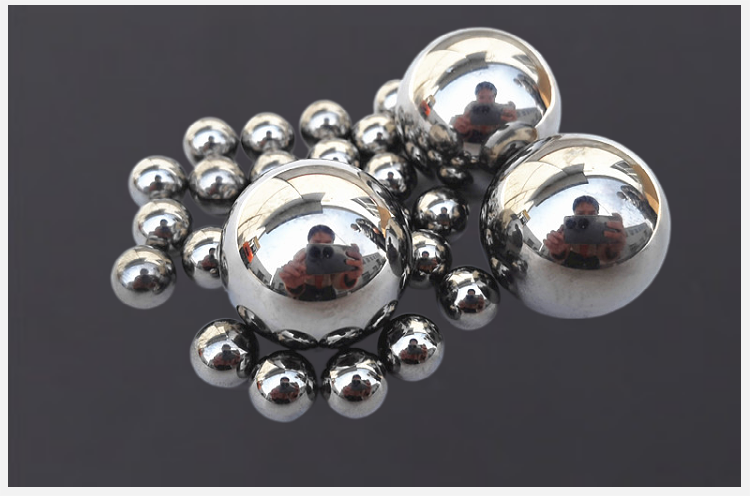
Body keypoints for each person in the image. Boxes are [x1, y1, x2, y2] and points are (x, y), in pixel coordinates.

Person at [279, 225, 364, 301]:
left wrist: (349, 277)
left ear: (333, 244)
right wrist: (293, 285)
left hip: (328, 291)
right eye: (317, 243)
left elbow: (337, 282)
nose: (322, 248)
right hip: (306, 291)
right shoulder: (301, 255)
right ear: (308, 243)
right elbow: (295, 279)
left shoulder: (336, 255)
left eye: (327, 244)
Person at [543, 195, 626, 269]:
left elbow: (603, 255)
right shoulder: (568, 227)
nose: (586, 218)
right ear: (574, 214)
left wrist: (612, 249)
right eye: (580, 214)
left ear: (597, 215)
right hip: (571, 262)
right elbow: (562, 250)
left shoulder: (602, 228)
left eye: (592, 214)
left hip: (593, 264)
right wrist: (558, 252)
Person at [451, 81, 518, 143]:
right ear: (477, 97)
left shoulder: (498, 107)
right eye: (482, 97)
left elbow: (509, 109)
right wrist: (460, 130)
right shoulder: (471, 106)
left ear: (494, 97)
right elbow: (462, 121)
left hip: (495, 138)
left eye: (490, 97)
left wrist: (512, 120)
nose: (486, 102)